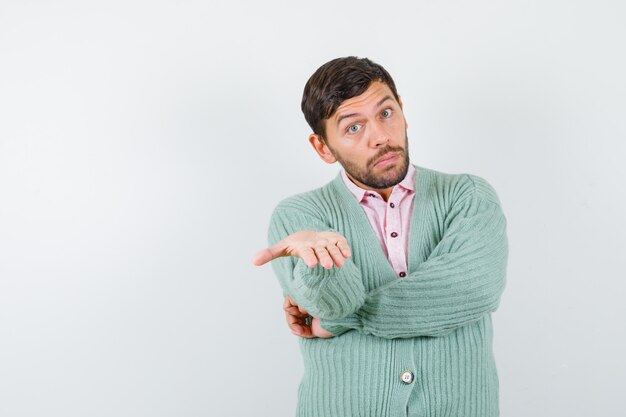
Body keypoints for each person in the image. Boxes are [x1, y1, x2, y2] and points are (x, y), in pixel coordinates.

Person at [252, 56, 508, 417]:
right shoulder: (300, 219)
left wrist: (341, 323)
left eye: (386, 113)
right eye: (353, 128)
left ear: (402, 110)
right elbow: (329, 306)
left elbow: (471, 288)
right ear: (323, 147)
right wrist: (323, 265)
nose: (381, 137)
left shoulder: (467, 195)